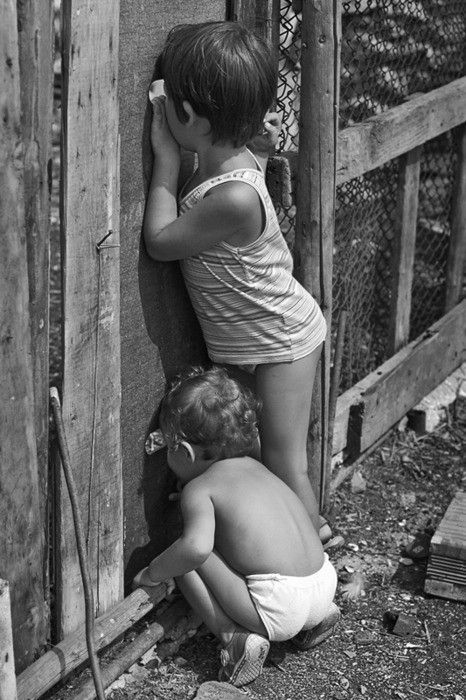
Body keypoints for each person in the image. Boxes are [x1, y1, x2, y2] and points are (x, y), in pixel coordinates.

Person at [143, 22, 328, 543]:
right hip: (258, 340)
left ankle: (313, 566)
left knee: (283, 460)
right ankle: (284, 550)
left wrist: (165, 161)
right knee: (257, 456)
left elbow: (159, 240)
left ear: (185, 117)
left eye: (167, 101)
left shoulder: (232, 197)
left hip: (282, 342)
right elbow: (247, 157)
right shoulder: (233, 159)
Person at [134, 368, 339, 686]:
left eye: (167, 445)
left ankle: (234, 638)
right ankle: (315, 620)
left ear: (184, 452)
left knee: (183, 553)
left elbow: (197, 549)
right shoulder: (259, 469)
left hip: (281, 604)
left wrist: (152, 573)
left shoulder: (199, 490)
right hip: (324, 582)